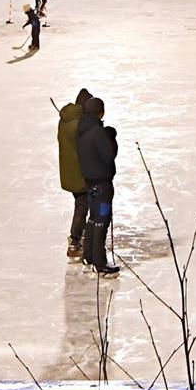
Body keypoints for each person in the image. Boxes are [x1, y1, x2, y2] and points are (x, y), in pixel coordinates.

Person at [76, 96, 120, 276]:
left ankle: (89, 255)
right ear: (101, 112)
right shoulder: (98, 132)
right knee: (102, 219)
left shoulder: (82, 131)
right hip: (102, 185)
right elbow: (109, 154)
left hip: (90, 184)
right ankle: (100, 263)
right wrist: (111, 137)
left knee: (93, 218)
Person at [57, 89, 95, 260]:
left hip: (69, 171)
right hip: (80, 173)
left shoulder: (65, 121)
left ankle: (83, 233)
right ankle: (75, 241)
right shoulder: (80, 125)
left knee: (81, 204)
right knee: (82, 206)